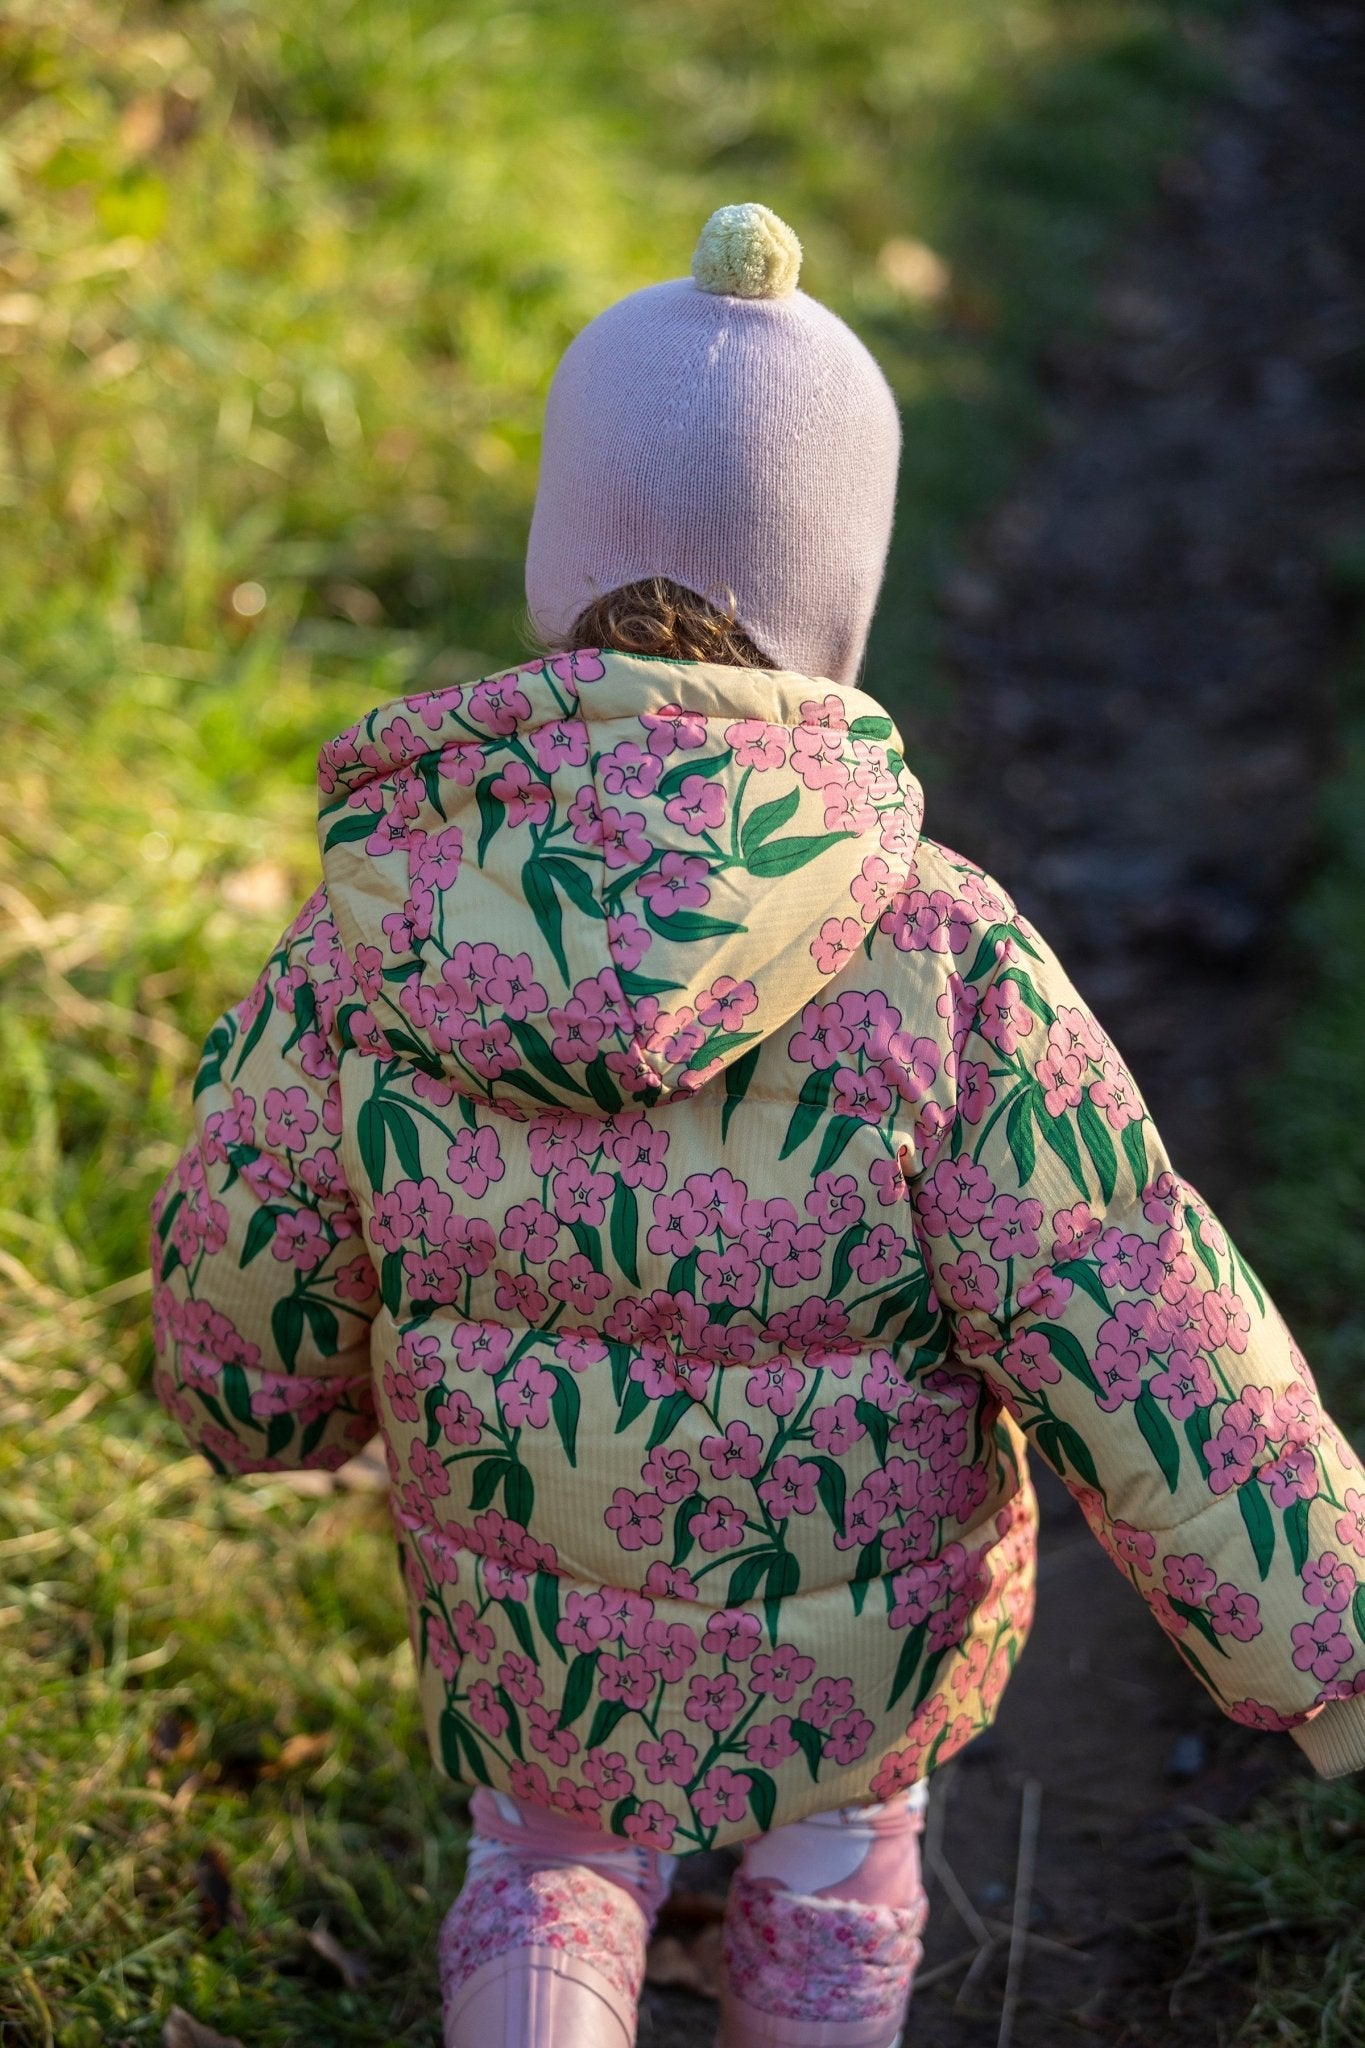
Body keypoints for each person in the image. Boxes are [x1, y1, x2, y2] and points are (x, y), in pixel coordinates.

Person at [152, 203, 1365, 2048]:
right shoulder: (936, 945)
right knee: (834, 1861)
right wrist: (1325, 1634)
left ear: (557, 564)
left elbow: (256, 1234)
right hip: (856, 1657)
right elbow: (1132, 1306)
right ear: (836, 601)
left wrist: (262, 1403)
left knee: (542, 1862)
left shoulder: (390, 913)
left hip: (525, 1626)